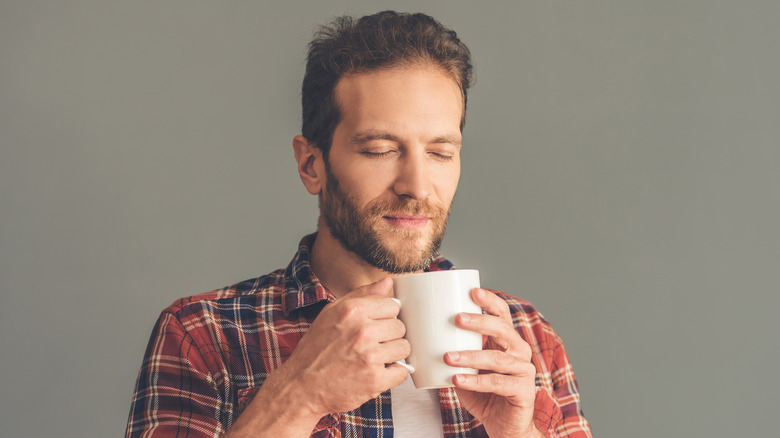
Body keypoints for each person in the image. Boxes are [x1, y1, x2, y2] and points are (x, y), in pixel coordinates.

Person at [125, 11, 592, 438]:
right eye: (381, 149)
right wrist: (296, 398)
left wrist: (519, 432)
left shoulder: (526, 336)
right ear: (312, 164)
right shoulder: (202, 335)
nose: (417, 186)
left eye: (440, 153)